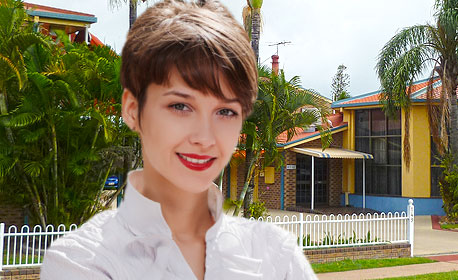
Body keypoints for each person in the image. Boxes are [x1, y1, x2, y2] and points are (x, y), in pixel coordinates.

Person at [39, 1, 316, 279]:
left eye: (225, 111)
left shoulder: (277, 254)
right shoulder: (81, 262)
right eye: (180, 106)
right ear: (133, 110)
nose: (205, 138)